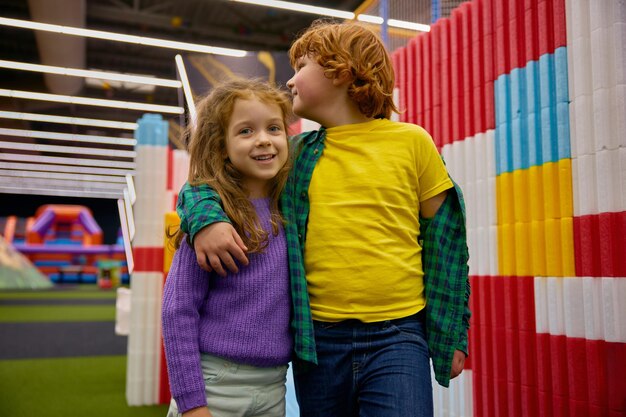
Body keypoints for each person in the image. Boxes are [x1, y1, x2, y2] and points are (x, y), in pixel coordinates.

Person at [176, 20, 471, 417]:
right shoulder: (294, 154)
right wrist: (206, 219)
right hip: (318, 341)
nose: (291, 80)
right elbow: (208, 183)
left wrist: (453, 332)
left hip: (398, 334)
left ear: (341, 71)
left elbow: (446, 243)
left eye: (301, 67)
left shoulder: (412, 142)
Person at [161, 78, 295, 417]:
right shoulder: (212, 216)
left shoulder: (292, 206)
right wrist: (192, 403)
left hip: (274, 385)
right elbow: (177, 311)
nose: (263, 139)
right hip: (215, 384)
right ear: (221, 145)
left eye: (273, 128)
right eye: (245, 131)